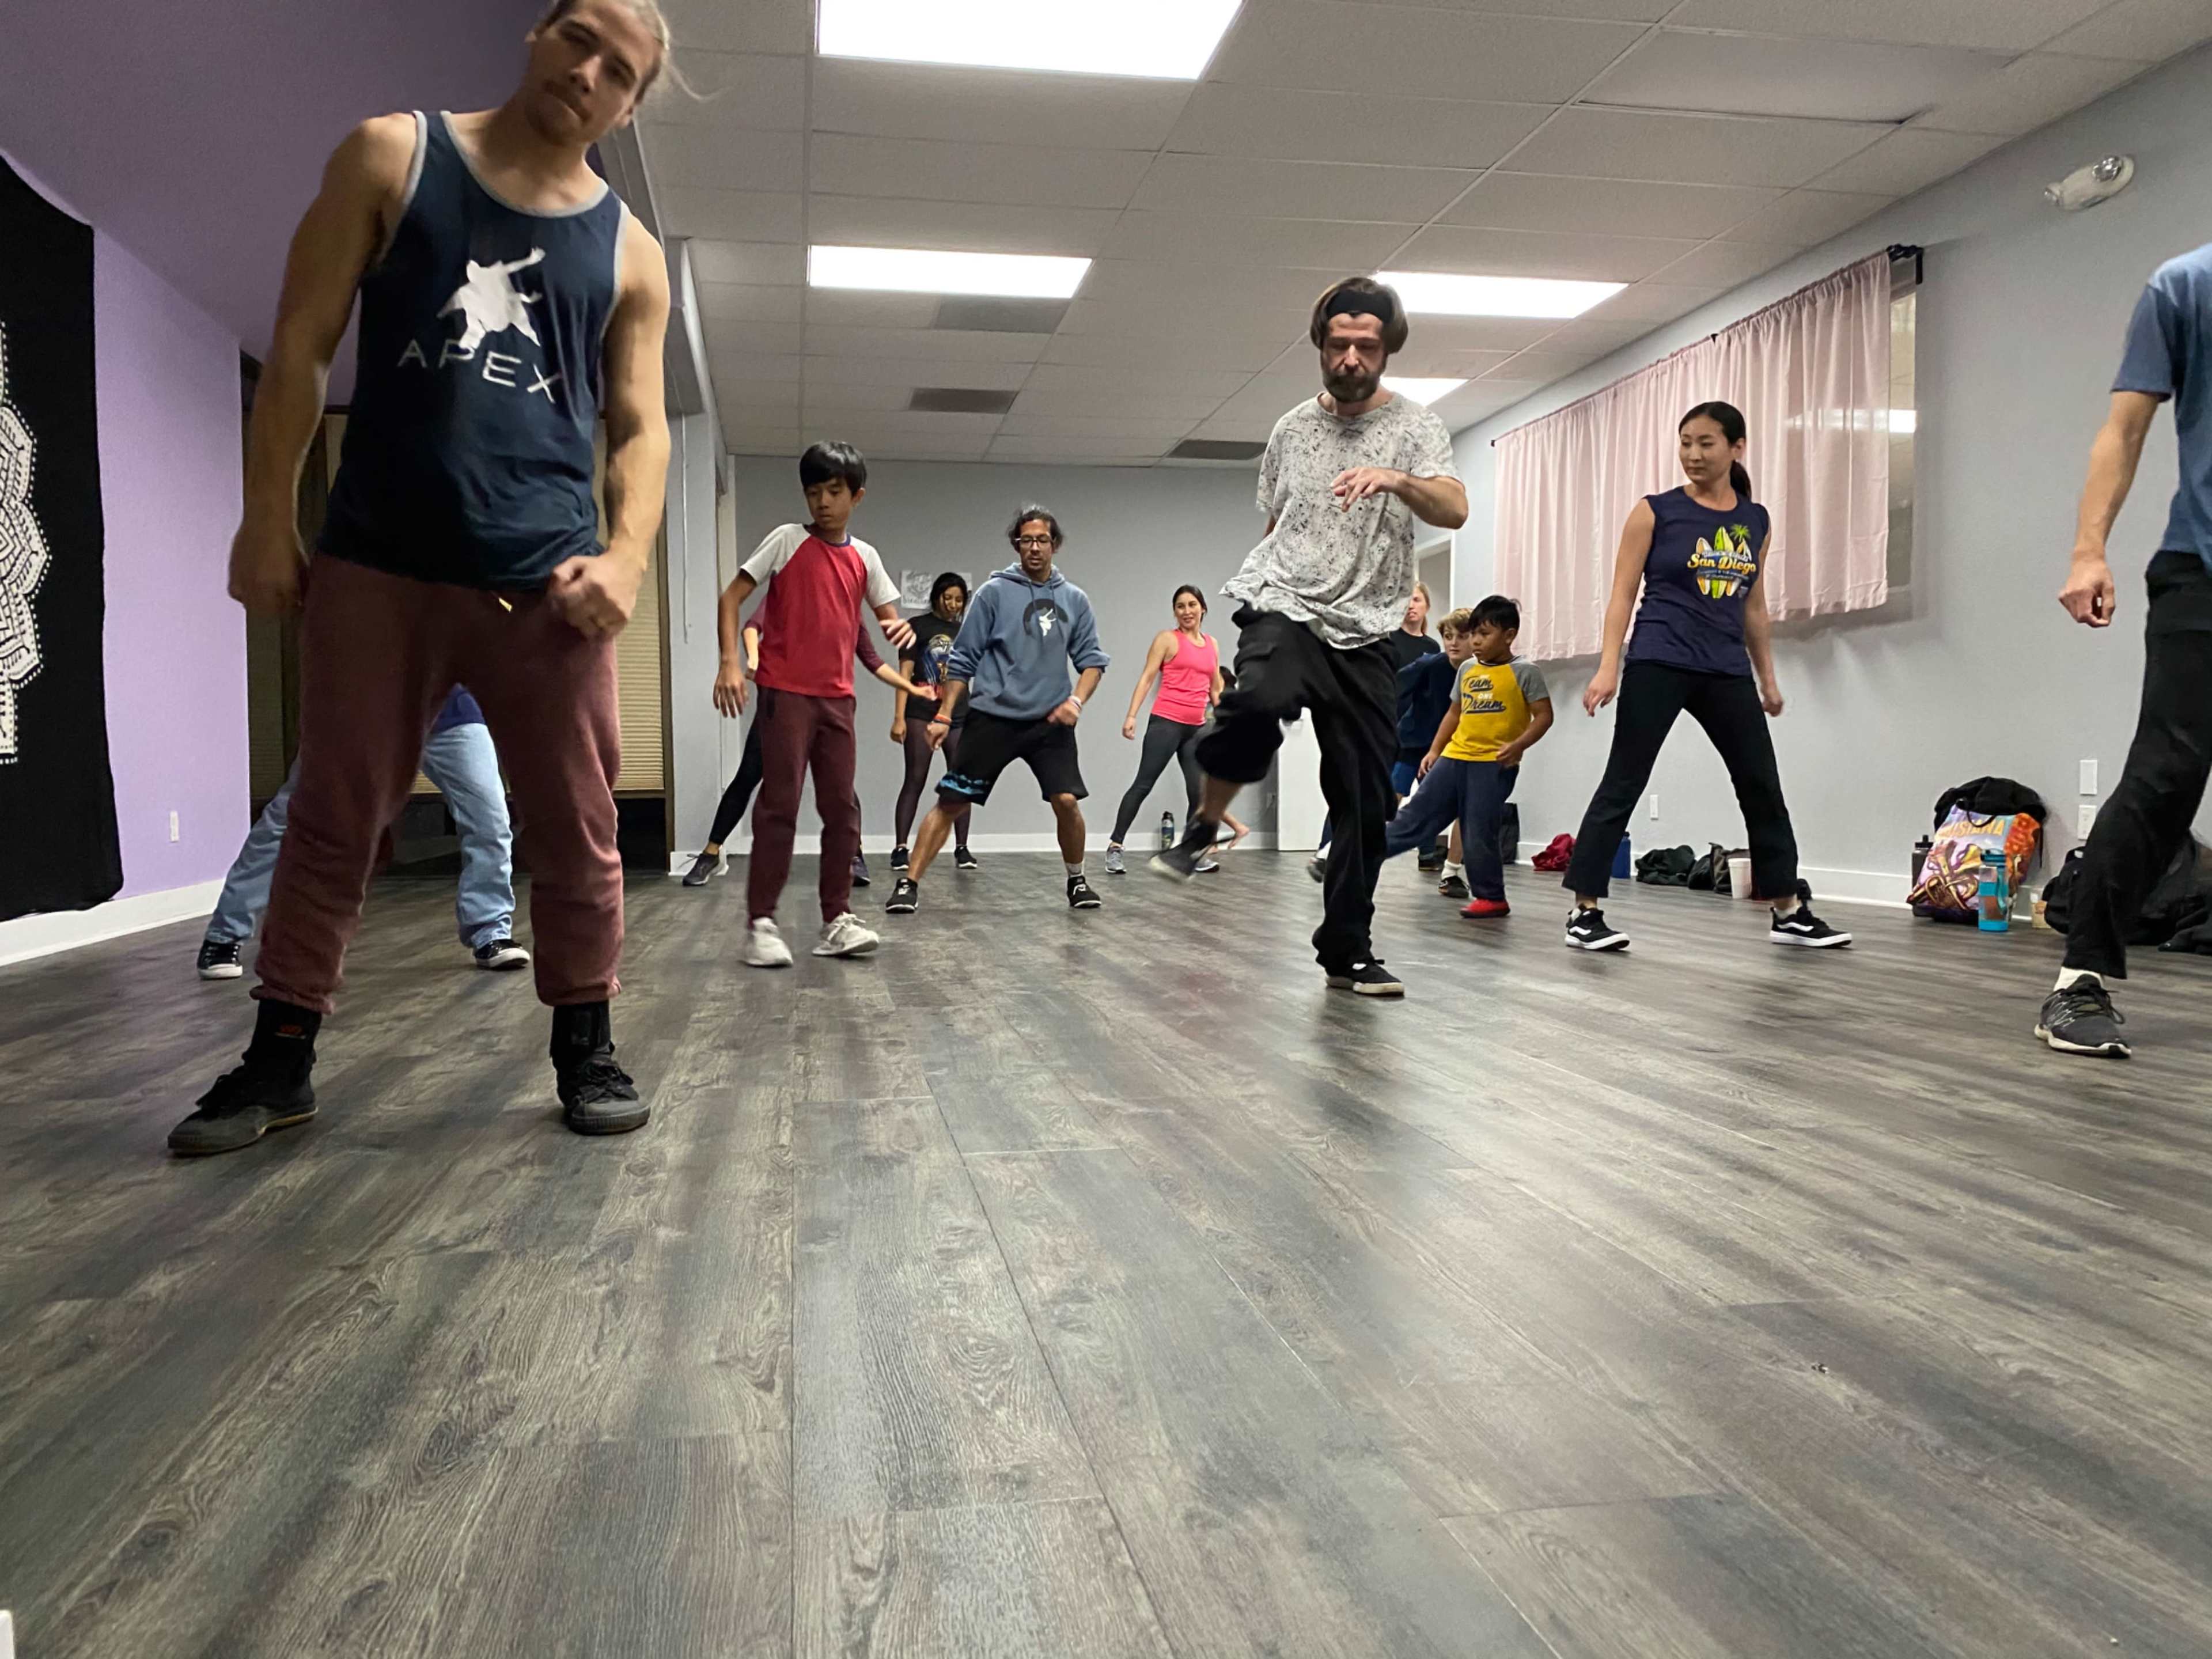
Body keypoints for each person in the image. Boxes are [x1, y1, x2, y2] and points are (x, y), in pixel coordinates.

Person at [168, 0, 675, 1157]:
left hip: (544, 587)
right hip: (376, 563)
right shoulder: (391, 154)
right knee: (334, 820)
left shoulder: (631, 251)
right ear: (537, 34)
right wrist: (264, 520)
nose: (591, 72)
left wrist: (631, 554)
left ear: (630, 105)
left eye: (621, 71)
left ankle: (585, 1044)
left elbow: (642, 427)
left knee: (576, 828)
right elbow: (297, 346)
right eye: (580, 38)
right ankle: (280, 1057)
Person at [1152, 275, 1468, 999]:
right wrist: (1270, 577)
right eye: (1338, 343)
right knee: (1262, 694)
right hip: (1287, 601)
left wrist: (1394, 478)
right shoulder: (1292, 428)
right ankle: (1206, 821)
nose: (1351, 356)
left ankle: (1347, 950)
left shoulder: (1416, 426)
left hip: (1370, 629)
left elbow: (1453, 507)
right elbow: (1278, 520)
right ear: (1320, 346)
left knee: (1363, 799)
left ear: (1387, 349)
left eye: (1367, 345)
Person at [1560, 400, 1849, 953]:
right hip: (1659, 660)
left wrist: (1767, 678)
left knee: (1762, 785)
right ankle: (1584, 911)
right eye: (1685, 442)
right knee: (1624, 781)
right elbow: (1622, 595)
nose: (1693, 454)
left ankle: (1788, 908)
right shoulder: (1654, 512)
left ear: (1736, 447)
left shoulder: (1755, 520)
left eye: (1706, 443)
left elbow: (1754, 607)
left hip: (1724, 669)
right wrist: (1608, 667)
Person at [2037, 243, 2212, 1058]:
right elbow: (2125, 429)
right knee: (2167, 773)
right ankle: (2081, 982)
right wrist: (2087, 549)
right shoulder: (2186, 286)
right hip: (2202, 572)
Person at [712, 441, 912, 967]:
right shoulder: (786, 540)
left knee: (842, 810)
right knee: (780, 804)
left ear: (857, 496)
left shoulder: (864, 557)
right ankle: (761, 923)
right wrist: (730, 663)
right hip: (786, 696)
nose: (822, 502)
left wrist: (901, 629)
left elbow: (889, 619)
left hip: (838, 701)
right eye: (813, 492)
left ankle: (836, 920)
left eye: (834, 492)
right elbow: (731, 597)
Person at [198, 688, 528, 979]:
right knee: (290, 817)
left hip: (452, 712)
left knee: (490, 820)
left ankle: (490, 931)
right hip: (356, 708)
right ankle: (225, 935)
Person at [885, 506, 1109, 916]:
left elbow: (1093, 661)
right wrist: (942, 716)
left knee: (1066, 800)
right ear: (1016, 545)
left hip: (1049, 723)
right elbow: (963, 660)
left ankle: (1077, 880)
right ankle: (908, 884)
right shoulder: (993, 593)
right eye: (1027, 541)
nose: (1035, 548)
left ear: (1055, 545)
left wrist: (1076, 701)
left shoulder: (1074, 600)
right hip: (993, 719)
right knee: (952, 801)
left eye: (1042, 540)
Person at [683, 616, 927, 888]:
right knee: (748, 776)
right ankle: (710, 853)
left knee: (840, 786)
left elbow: (873, 660)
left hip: (825, 710)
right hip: (779, 709)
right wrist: (753, 660)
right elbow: (752, 627)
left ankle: (853, 855)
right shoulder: (788, 598)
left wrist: (907, 688)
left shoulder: (849, 615)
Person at [1385, 596, 1552, 918]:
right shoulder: (1467, 670)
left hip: (1494, 765)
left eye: (1484, 634)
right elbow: (1453, 713)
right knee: (1415, 816)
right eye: (1473, 633)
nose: (1475, 641)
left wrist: (1519, 745)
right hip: (1454, 757)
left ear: (1509, 635)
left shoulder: (1525, 672)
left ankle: (1492, 897)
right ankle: (1360, 857)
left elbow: (1544, 716)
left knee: (1478, 829)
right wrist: (1435, 750)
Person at [1104, 585, 1247, 876]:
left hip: (1196, 728)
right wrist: (1132, 715)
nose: (1187, 611)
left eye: (1192, 605)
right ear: (1175, 612)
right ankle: (1115, 847)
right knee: (1143, 784)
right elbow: (1147, 678)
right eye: (1180, 606)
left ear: (1203, 609)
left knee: (1198, 793)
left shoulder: (1212, 644)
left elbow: (1215, 688)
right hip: (1166, 723)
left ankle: (1190, 852)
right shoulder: (1167, 640)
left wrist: (1225, 724)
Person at [1309, 583, 1440, 880]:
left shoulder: (1433, 649)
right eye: (1406, 600)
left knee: (1430, 792)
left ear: (1426, 606)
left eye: (1417, 599)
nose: (1411, 606)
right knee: (1360, 790)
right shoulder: (1388, 640)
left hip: (1418, 734)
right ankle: (1327, 850)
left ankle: (1428, 854)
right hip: (1381, 727)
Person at [891, 572, 976, 873]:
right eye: (947, 597)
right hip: (920, 713)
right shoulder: (917, 627)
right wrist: (899, 717)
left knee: (961, 782)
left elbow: (970, 674)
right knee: (915, 777)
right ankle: (901, 849)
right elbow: (904, 674)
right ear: (936, 596)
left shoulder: (967, 631)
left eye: (959, 600)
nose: (953, 604)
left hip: (958, 716)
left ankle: (962, 848)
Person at [1395, 606, 1478, 898]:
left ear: (1476, 639)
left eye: (1462, 636)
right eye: (1447, 636)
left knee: (1459, 807)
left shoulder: (1480, 673)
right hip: (1411, 745)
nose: (1454, 642)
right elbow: (1395, 690)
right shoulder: (1429, 665)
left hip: (1453, 750)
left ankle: (1452, 872)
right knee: (1388, 800)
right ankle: (1361, 858)